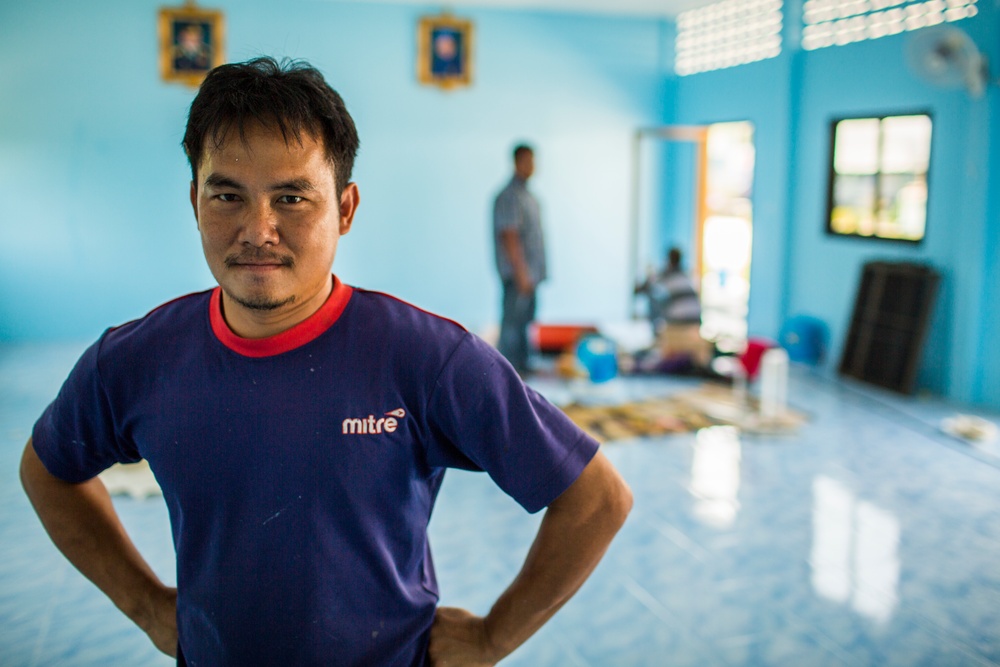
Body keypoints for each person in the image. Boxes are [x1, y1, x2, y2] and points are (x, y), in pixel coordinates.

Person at [19, 57, 632, 666]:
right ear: (194, 202)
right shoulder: (136, 361)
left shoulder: (424, 358)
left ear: (345, 208)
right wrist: (148, 606)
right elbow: (48, 471)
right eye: (227, 195)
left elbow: (596, 498)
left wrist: (494, 637)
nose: (258, 229)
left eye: (291, 198)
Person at [493, 144, 546, 376]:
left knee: (525, 323)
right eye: (527, 161)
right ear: (517, 162)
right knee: (513, 326)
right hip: (518, 275)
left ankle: (524, 369)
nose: (532, 166)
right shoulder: (509, 196)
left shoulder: (529, 196)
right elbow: (510, 235)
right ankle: (509, 374)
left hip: (531, 274)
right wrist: (521, 273)